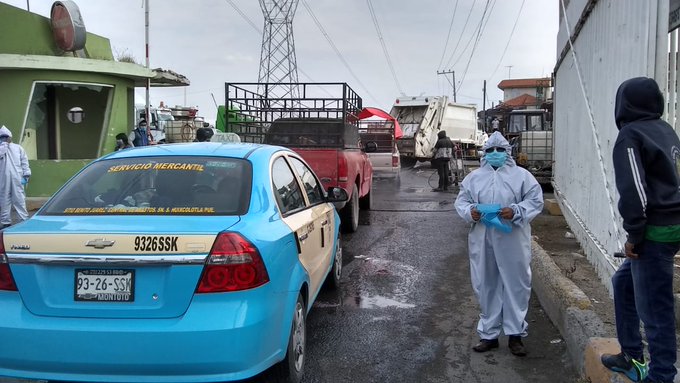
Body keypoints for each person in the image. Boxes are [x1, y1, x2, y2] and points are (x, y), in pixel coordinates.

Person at [601, 77, 680, 383]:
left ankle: (660, 376)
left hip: (655, 231)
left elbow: (634, 189)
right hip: (673, 224)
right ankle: (630, 356)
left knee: (654, 309)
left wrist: (635, 235)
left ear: (624, 104)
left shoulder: (631, 135)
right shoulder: (666, 130)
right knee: (623, 284)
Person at [454, 131, 543, 356]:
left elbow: (535, 201)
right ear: (485, 153)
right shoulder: (474, 178)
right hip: (482, 237)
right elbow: (462, 200)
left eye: (500, 150)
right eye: (491, 150)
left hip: (512, 236)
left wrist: (514, 211)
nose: (495, 154)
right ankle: (489, 335)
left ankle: (515, 335)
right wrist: (470, 212)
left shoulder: (522, 176)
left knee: (516, 283)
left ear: (508, 152)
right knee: (486, 283)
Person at [0, 125, 31, 229]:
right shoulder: (0, 149)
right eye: (2, 137)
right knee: (4, 200)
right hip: (3, 179)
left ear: (10, 137)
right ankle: (5, 223)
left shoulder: (18, 148)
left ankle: (23, 220)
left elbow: (24, 162)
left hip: (17, 178)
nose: (5, 139)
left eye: (6, 137)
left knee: (19, 199)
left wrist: (26, 174)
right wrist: (3, 146)